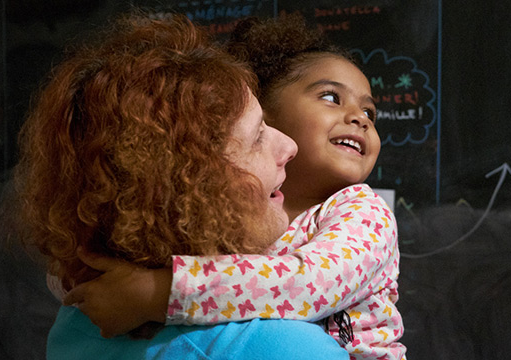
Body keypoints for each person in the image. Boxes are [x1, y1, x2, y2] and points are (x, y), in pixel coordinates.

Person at [66, 15, 406, 360]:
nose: (360, 117)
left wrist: (155, 293)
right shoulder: (231, 214)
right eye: (331, 97)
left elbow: (308, 285)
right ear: (265, 114)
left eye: (370, 112)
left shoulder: (363, 212)